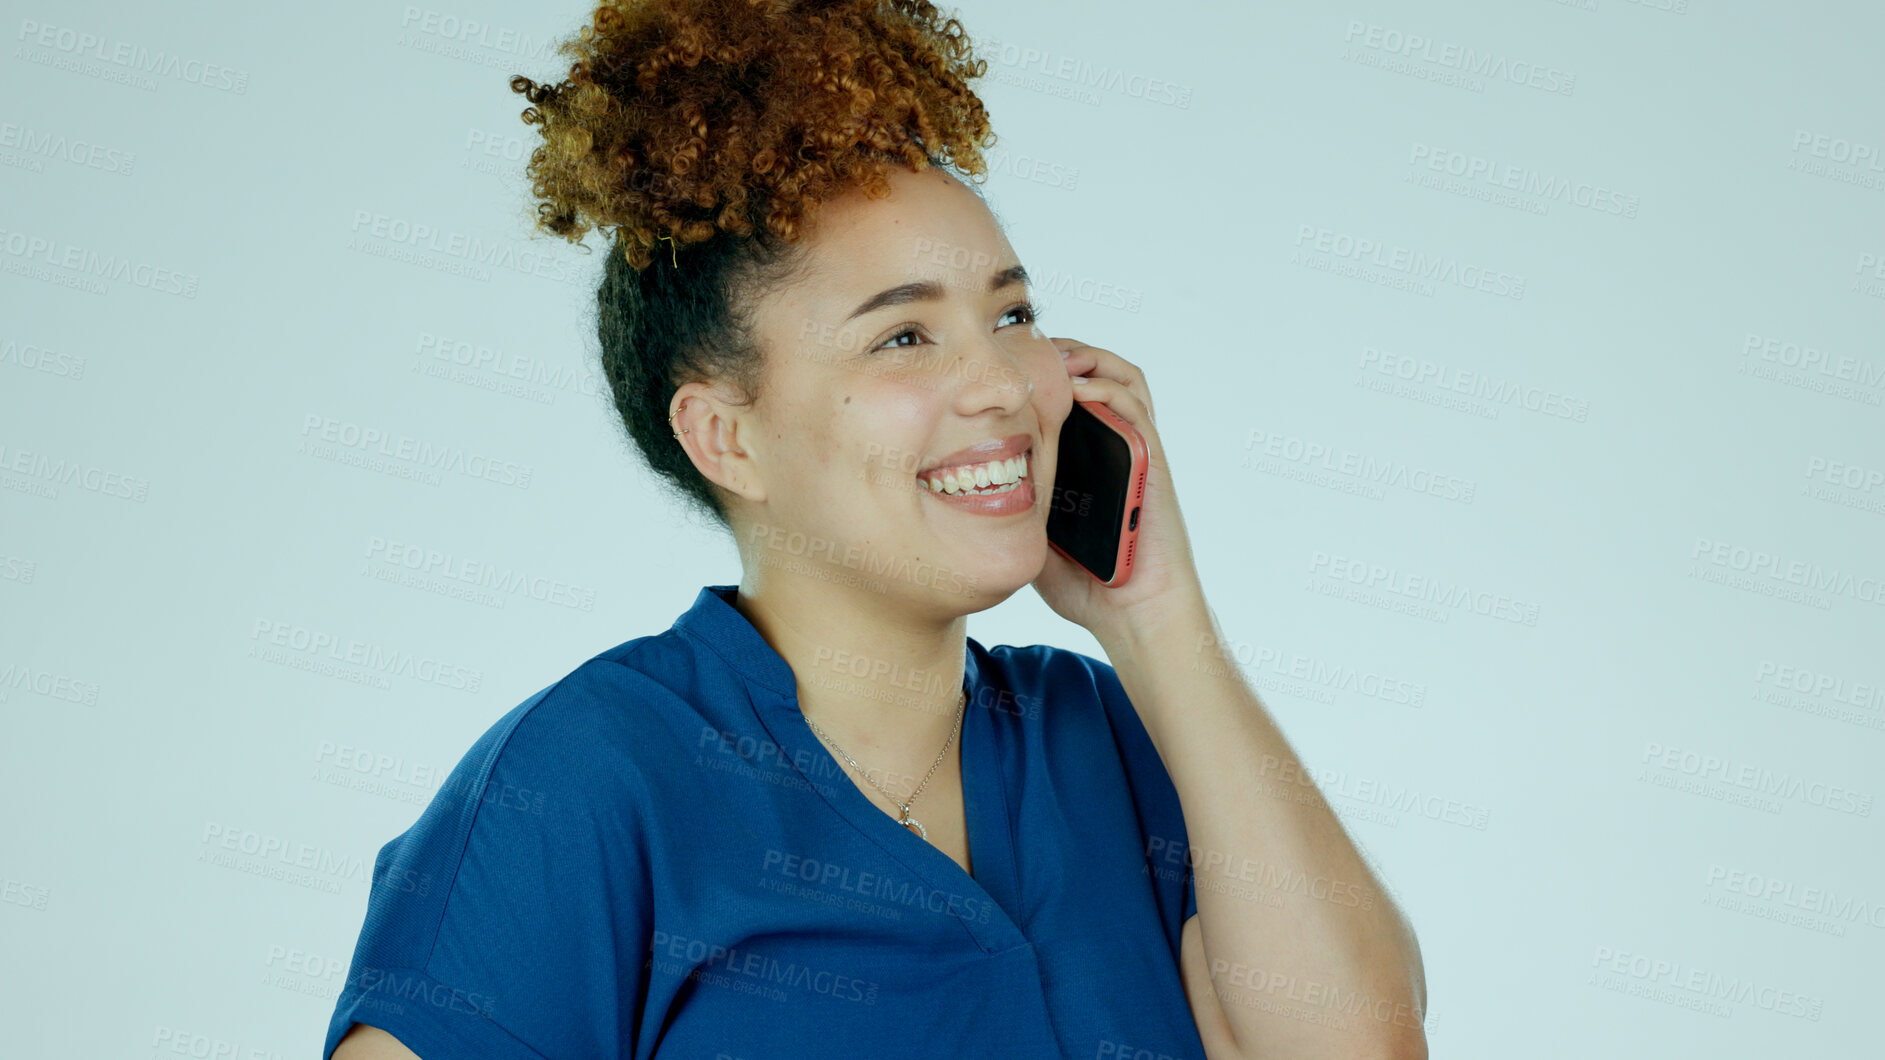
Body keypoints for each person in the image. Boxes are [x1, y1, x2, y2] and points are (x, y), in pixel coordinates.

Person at [326, 1, 1428, 1057]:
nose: (1000, 382)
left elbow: (1360, 1047)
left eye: (1011, 315)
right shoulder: (589, 782)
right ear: (726, 438)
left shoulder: (1102, 736)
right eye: (903, 337)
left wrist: (1158, 617)